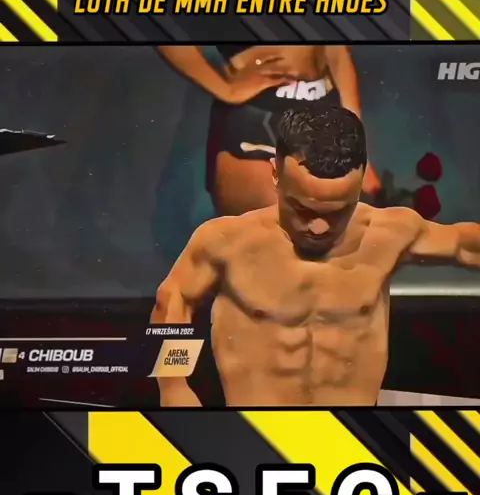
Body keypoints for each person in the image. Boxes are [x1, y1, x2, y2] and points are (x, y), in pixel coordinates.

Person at [151, 104, 479, 407]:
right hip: (256, 429)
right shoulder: (226, 241)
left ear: (361, 183)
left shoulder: (390, 233)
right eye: (302, 210)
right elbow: (174, 300)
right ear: (275, 173)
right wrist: (174, 385)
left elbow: (466, 245)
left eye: (338, 212)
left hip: (355, 431)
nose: (319, 227)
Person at [158, 45, 381, 214]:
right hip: (260, 114)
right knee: (273, 245)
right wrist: (225, 89)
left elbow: (336, 50)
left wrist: (359, 149)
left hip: (325, 108)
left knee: (345, 247)